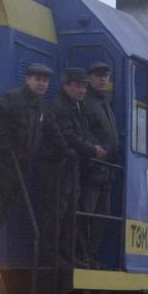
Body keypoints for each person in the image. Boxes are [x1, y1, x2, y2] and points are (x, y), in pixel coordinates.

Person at [0, 64, 59, 258]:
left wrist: (68, 150)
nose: (42, 83)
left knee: (4, 208)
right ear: (28, 80)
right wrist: (6, 142)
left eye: (45, 80)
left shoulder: (41, 106)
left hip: (17, 166)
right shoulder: (14, 98)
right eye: (38, 79)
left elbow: (53, 130)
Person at [50, 66, 107, 265]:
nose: (82, 90)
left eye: (84, 86)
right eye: (77, 86)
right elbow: (69, 136)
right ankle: (54, 256)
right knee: (59, 214)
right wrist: (92, 150)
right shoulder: (61, 107)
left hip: (71, 170)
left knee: (70, 215)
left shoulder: (76, 106)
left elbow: (80, 134)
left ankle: (68, 256)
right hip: (59, 170)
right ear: (66, 86)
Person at [80, 62, 120, 266]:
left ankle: (90, 255)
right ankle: (82, 255)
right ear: (89, 78)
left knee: (102, 216)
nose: (103, 79)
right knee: (86, 213)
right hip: (92, 168)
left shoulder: (104, 103)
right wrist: (93, 150)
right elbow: (82, 131)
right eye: (98, 75)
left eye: (105, 75)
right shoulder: (87, 103)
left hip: (106, 171)